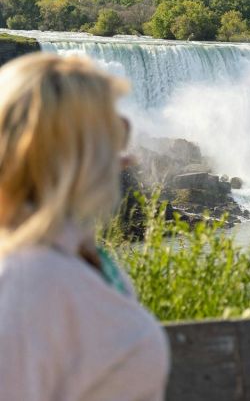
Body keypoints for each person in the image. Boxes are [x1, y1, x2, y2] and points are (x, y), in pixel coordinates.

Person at [0, 54, 170, 400]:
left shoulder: (79, 257)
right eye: (115, 132)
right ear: (79, 155)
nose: (127, 154)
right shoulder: (26, 282)